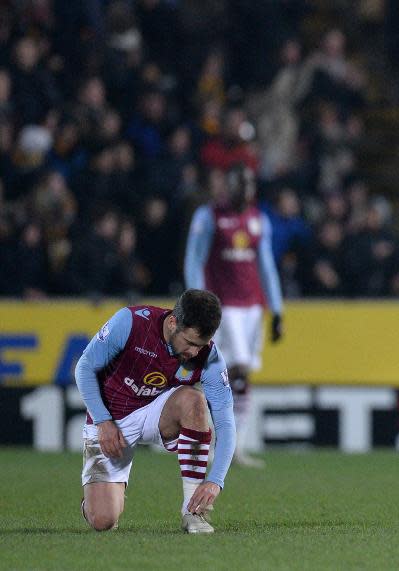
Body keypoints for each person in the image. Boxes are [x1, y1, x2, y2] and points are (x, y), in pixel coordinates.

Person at [75, 289, 234, 534]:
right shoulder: (130, 323)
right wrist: (103, 421)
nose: (193, 352)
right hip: (111, 418)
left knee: (194, 401)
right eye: (190, 342)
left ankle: (192, 514)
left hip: (156, 412)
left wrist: (216, 481)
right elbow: (84, 368)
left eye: (200, 345)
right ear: (173, 322)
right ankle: (99, 498)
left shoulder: (209, 358)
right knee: (103, 520)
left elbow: (225, 422)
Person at [184, 165, 283, 468]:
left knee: (240, 375)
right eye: (241, 183)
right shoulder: (208, 216)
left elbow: (266, 266)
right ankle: (206, 437)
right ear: (229, 185)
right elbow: (194, 259)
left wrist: (277, 309)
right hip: (222, 306)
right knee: (233, 368)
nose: (247, 189)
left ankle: (233, 447)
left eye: (251, 184)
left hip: (252, 308)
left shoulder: (258, 220)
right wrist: (197, 302)